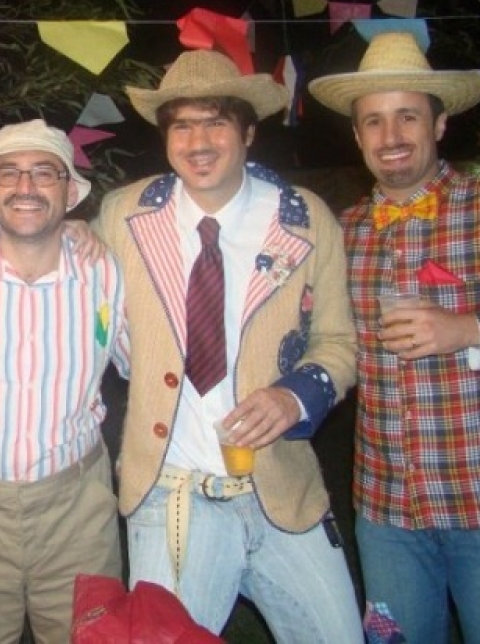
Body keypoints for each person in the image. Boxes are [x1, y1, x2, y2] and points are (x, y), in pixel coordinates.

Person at [95, 49, 362, 642]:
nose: (198, 142)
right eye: (182, 126)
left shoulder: (304, 218)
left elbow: (339, 341)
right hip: (171, 493)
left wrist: (295, 397)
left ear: (248, 132)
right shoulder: (122, 216)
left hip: (282, 487)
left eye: (215, 122)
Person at [309, 31, 480, 644]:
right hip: (386, 511)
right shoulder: (341, 232)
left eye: (407, 116)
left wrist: (470, 329)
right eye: (373, 121)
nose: (390, 135)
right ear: (357, 136)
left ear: (440, 123)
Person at [0, 119, 130, 643]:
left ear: (70, 192)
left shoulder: (108, 274)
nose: (26, 186)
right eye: (9, 173)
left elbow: (156, 365)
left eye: (44, 173)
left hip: (79, 518)